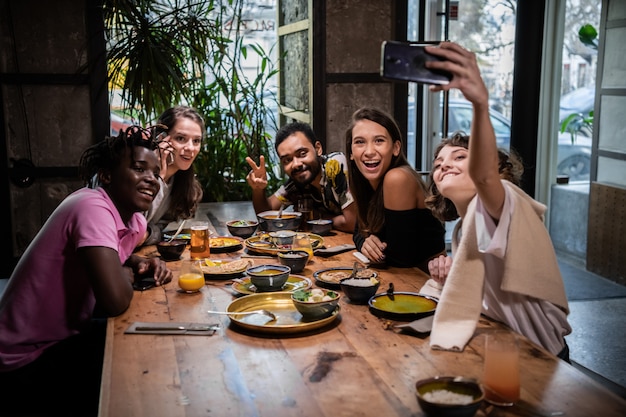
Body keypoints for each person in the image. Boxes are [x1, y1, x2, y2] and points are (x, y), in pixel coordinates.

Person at [0, 126, 174, 416]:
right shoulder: (91, 205)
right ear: (106, 175)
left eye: (155, 173)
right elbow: (115, 300)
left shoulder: (133, 220)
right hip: (22, 357)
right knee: (143, 381)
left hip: (62, 337)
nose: (151, 179)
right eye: (139, 168)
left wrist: (133, 263)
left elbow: (115, 257)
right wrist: (127, 273)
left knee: (155, 354)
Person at [418, 41, 571, 361]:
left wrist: (480, 104)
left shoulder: (504, 205)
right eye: (438, 162)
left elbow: (485, 178)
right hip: (509, 348)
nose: (443, 164)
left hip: (543, 356)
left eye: (460, 157)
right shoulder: (464, 228)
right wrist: (450, 277)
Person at [345, 107, 446, 271]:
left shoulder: (397, 177)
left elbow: (400, 258)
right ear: (351, 152)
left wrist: (369, 243)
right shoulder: (366, 182)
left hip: (427, 282)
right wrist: (365, 242)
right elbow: (358, 232)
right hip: (401, 281)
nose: (369, 151)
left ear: (395, 148)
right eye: (360, 142)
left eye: (379, 140)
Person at [245, 121, 357, 232]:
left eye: (302, 154)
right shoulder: (297, 182)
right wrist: (258, 189)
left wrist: (314, 217)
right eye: (287, 160)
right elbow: (266, 214)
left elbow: (352, 223)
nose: (296, 164)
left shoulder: (336, 165)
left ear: (318, 149)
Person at [141, 105, 205, 246]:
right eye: (181, 138)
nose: (190, 148)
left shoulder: (181, 183)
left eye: (196, 141)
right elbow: (133, 227)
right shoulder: (135, 175)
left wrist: (149, 234)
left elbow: (157, 230)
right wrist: (159, 177)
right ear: (161, 139)